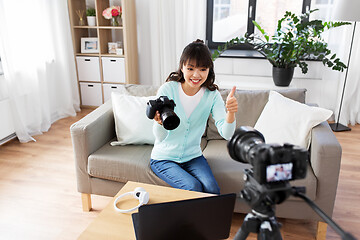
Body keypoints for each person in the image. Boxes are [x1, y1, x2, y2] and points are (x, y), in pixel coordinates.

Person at [150, 39, 238, 194]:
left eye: (202, 69)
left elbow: (227, 133)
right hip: (164, 158)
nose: (196, 75)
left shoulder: (212, 95)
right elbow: (161, 137)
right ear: (182, 67)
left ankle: (208, 219)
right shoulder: (168, 90)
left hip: (193, 157)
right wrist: (159, 124)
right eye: (190, 68)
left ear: (209, 70)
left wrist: (231, 113)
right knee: (193, 187)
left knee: (212, 189)